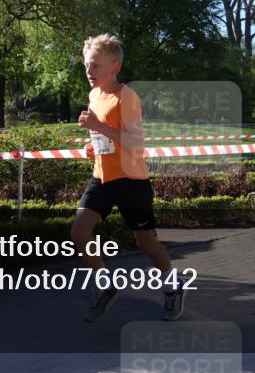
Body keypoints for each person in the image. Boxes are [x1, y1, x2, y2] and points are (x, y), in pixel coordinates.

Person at [71, 33, 185, 322]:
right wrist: (92, 145)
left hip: (131, 179)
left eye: (96, 65)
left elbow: (135, 143)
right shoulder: (94, 95)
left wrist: (97, 126)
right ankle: (106, 287)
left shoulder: (127, 96)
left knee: (145, 240)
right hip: (102, 177)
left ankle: (172, 287)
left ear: (115, 67)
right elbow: (105, 134)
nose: (89, 71)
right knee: (79, 232)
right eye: (87, 65)